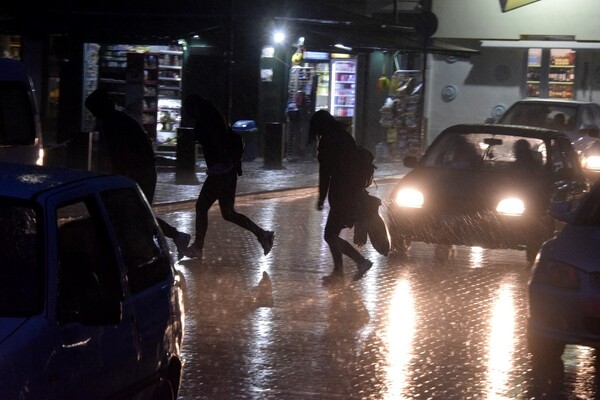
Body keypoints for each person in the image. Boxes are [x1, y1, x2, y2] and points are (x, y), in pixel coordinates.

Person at [85, 88, 191, 259]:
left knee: (138, 215)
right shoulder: (120, 119)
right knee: (138, 214)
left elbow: (116, 154)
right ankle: (161, 243)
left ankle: (161, 245)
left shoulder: (111, 123)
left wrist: (117, 176)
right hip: (141, 172)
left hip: (138, 174)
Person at [182, 94, 274, 262]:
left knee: (201, 207)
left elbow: (213, 144)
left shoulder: (207, 122)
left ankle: (198, 247)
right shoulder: (215, 117)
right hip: (228, 171)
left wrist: (221, 163)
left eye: (189, 111)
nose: (188, 115)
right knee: (228, 213)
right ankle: (263, 235)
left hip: (220, 171)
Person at [308, 110, 373, 286]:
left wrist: (321, 198)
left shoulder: (327, 142)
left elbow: (325, 173)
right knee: (332, 233)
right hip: (353, 191)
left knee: (330, 235)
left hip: (341, 193)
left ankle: (361, 262)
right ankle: (339, 272)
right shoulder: (345, 137)